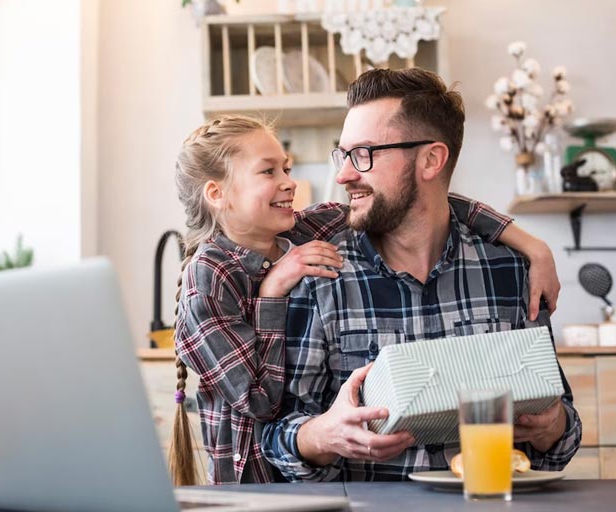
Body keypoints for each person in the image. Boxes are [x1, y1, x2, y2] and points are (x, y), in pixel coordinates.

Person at [169, 114, 561, 486]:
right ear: (218, 194)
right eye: (269, 171)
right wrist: (272, 290)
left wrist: (531, 245)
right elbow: (259, 402)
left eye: (286, 168)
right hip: (250, 483)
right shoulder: (207, 278)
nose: (289, 181)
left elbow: (426, 200)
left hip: (301, 485)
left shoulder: (306, 229)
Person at [260, 68, 582, 482]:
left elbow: (562, 441)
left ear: (431, 159)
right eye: (343, 154)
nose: (343, 175)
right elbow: (273, 438)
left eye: (365, 154)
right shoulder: (320, 274)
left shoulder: (512, 270)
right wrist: (323, 436)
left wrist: (551, 427)